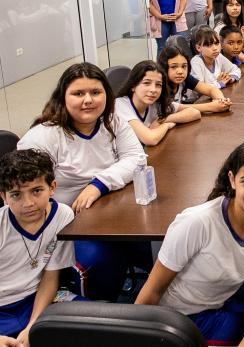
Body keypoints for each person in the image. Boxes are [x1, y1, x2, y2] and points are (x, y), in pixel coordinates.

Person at [136, 140, 244, 346]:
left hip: (218, 305)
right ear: (232, 180)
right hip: (178, 317)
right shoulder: (196, 222)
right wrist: (139, 335)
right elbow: (152, 290)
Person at [17, 63, 148, 301]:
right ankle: (94, 314)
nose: (88, 100)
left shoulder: (112, 121)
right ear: (62, 97)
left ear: (106, 95)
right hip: (65, 227)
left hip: (110, 212)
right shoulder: (43, 137)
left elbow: (136, 158)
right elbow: (31, 195)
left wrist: (98, 185)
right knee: (100, 261)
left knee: (155, 246)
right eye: (78, 93)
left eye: (95, 93)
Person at [0, 150, 79, 347]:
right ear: (3, 196)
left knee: (95, 328)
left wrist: (34, 326)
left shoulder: (63, 215)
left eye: (37, 190)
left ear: (52, 187)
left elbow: (50, 277)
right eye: (16, 194)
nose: (28, 203)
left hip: (36, 300)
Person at [114, 60, 200, 145]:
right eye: (146, 83)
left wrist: (162, 120)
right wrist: (166, 125)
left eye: (158, 85)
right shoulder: (120, 104)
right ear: (133, 86)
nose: (153, 90)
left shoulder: (155, 103)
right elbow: (150, 139)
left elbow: (194, 112)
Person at [157, 45, 232, 113]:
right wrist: (212, 107)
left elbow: (211, 89)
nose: (180, 71)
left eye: (184, 66)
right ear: (164, 67)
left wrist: (221, 101)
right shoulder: (159, 85)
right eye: (174, 67)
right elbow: (174, 108)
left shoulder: (185, 78)